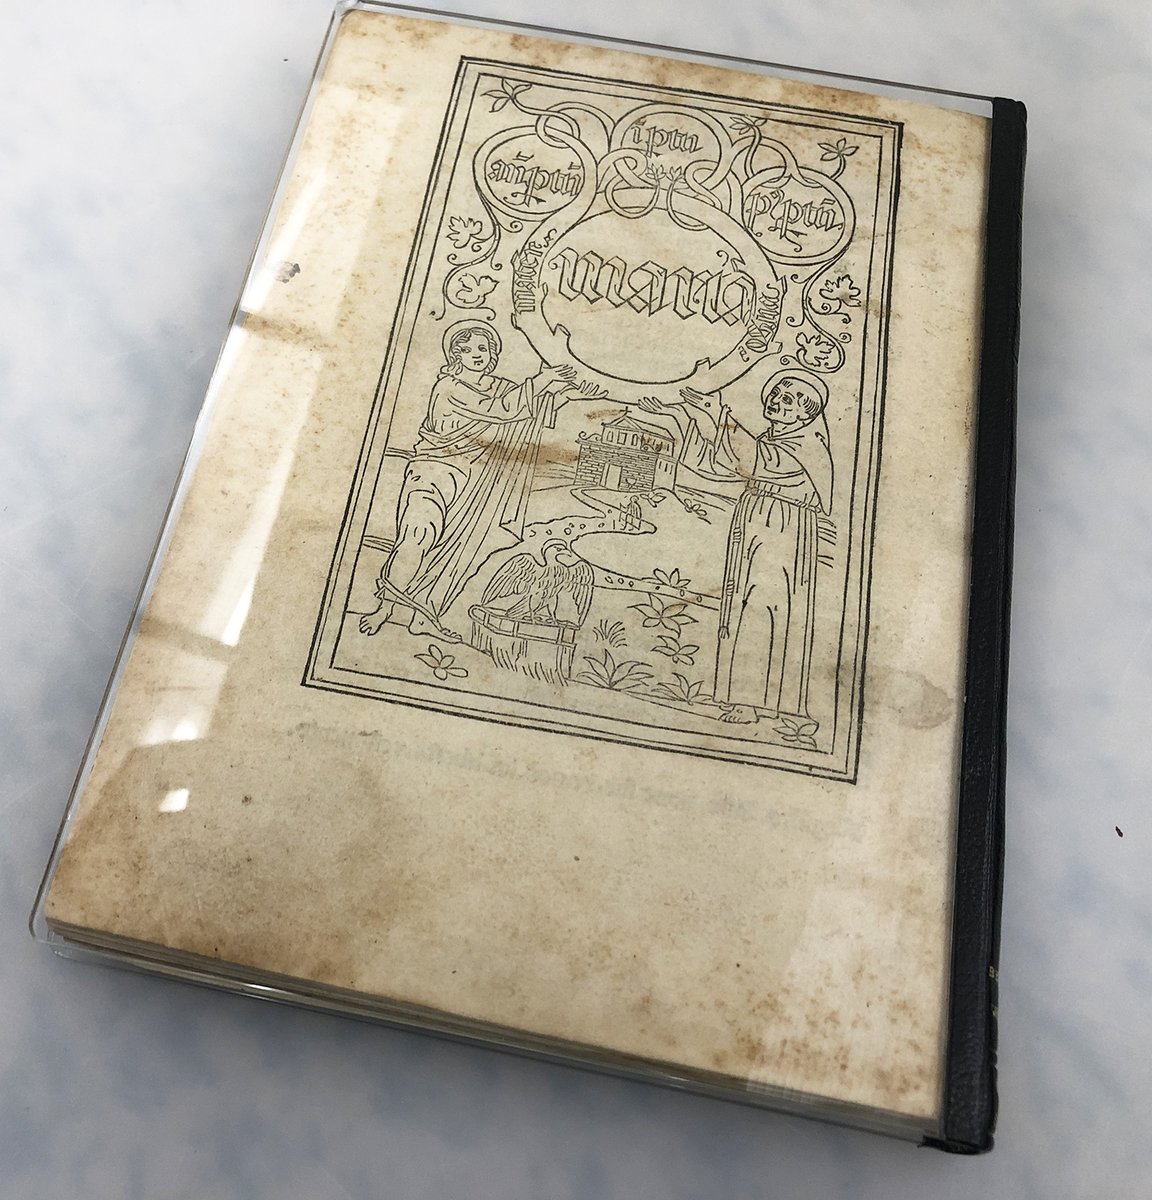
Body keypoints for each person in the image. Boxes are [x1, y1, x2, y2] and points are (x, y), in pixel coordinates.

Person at [359, 321, 579, 641]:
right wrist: (543, 380)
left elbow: (529, 412)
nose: (477, 354)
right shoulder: (449, 388)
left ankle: (425, 615)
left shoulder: (497, 386)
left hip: (473, 482)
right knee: (417, 537)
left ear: (493, 354)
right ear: (455, 355)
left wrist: (564, 390)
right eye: (467, 349)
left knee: (461, 549)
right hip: (433, 473)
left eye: (483, 348)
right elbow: (502, 410)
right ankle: (384, 609)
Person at [642, 371, 833, 724]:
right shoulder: (772, 437)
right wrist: (682, 415)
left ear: (805, 414)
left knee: (763, 605)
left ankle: (757, 702)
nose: (775, 400)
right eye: (775, 393)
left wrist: (720, 416)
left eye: (787, 400)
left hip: (781, 529)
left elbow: (757, 461)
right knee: (743, 603)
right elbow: (720, 465)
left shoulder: (807, 445)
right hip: (760, 520)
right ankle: (746, 698)